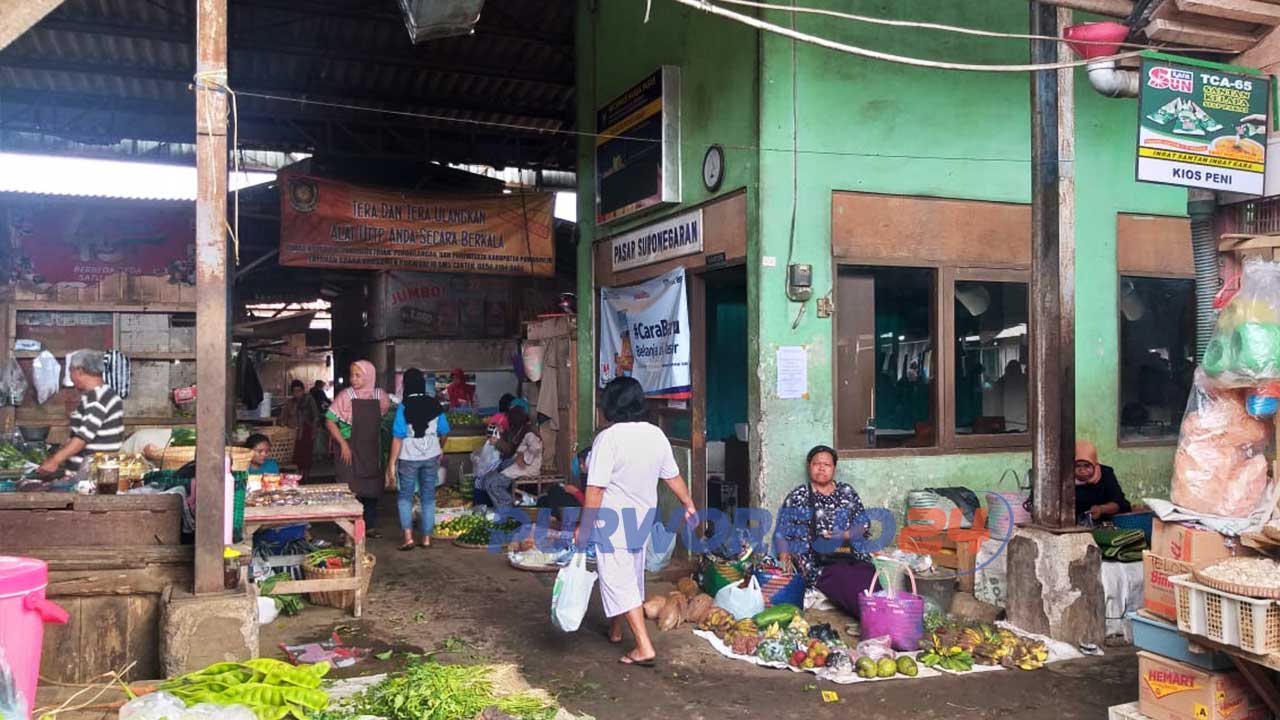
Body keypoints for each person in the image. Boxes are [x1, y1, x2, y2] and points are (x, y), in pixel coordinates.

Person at [578, 377, 697, 667]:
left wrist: (584, 527)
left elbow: (595, 489)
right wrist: (688, 502)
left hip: (613, 520)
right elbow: (672, 475)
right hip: (642, 518)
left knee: (618, 580)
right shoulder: (655, 435)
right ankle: (617, 630)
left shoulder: (608, 438)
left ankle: (644, 647)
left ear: (610, 404)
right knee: (629, 575)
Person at [774, 445, 879, 619]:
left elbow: (863, 524)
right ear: (809, 467)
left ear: (834, 469)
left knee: (867, 574)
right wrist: (784, 562)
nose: (821, 468)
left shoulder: (847, 492)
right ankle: (872, 618)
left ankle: (881, 612)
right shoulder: (799, 495)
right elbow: (782, 532)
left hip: (850, 554)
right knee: (843, 579)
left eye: (827, 465)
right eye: (816, 464)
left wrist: (845, 535)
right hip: (817, 562)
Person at [325, 360, 392, 537]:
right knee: (348, 488)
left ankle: (369, 526)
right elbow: (329, 421)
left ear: (369, 376)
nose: (353, 379)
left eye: (358, 375)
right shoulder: (345, 396)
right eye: (351, 375)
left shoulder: (381, 396)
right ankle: (344, 529)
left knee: (371, 489)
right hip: (349, 449)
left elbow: (384, 420)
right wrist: (343, 444)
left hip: (372, 449)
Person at [386, 368, 450, 551]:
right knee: (428, 498)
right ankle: (427, 538)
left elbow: (398, 437)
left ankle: (408, 538)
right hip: (431, 456)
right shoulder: (434, 404)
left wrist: (391, 463)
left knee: (405, 497)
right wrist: (439, 447)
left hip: (408, 457)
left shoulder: (404, 406)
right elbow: (444, 431)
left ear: (406, 385)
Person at [38, 349, 124, 477]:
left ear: (79, 371)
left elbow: (82, 438)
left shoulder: (97, 399)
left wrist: (54, 461)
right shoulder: (103, 394)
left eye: (70, 372)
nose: (70, 378)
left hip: (91, 476)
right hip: (94, 473)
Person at [476, 406, 542, 512]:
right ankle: (502, 508)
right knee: (487, 480)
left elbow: (536, 448)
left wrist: (523, 458)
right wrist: (502, 434)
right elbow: (512, 446)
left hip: (527, 467)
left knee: (494, 484)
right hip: (513, 464)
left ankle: (508, 509)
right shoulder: (517, 430)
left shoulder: (529, 433)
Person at [1075, 440, 1131, 523]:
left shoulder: (1105, 474)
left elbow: (1122, 504)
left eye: (1087, 466)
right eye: (1077, 466)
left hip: (1104, 523)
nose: (1082, 470)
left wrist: (1102, 509)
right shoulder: (1066, 479)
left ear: (1094, 464)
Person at [280, 379, 320, 476]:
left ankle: (306, 476)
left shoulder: (309, 400)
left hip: (307, 431)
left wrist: (314, 431)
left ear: (303, 390)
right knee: (296, 456)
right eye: (294, 391)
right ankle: (298, 476)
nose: (297, 393)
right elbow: (283, 417)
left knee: (306, 455)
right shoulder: (290, 403)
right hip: (294, 433)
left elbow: (316, 416)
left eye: (299, 391)